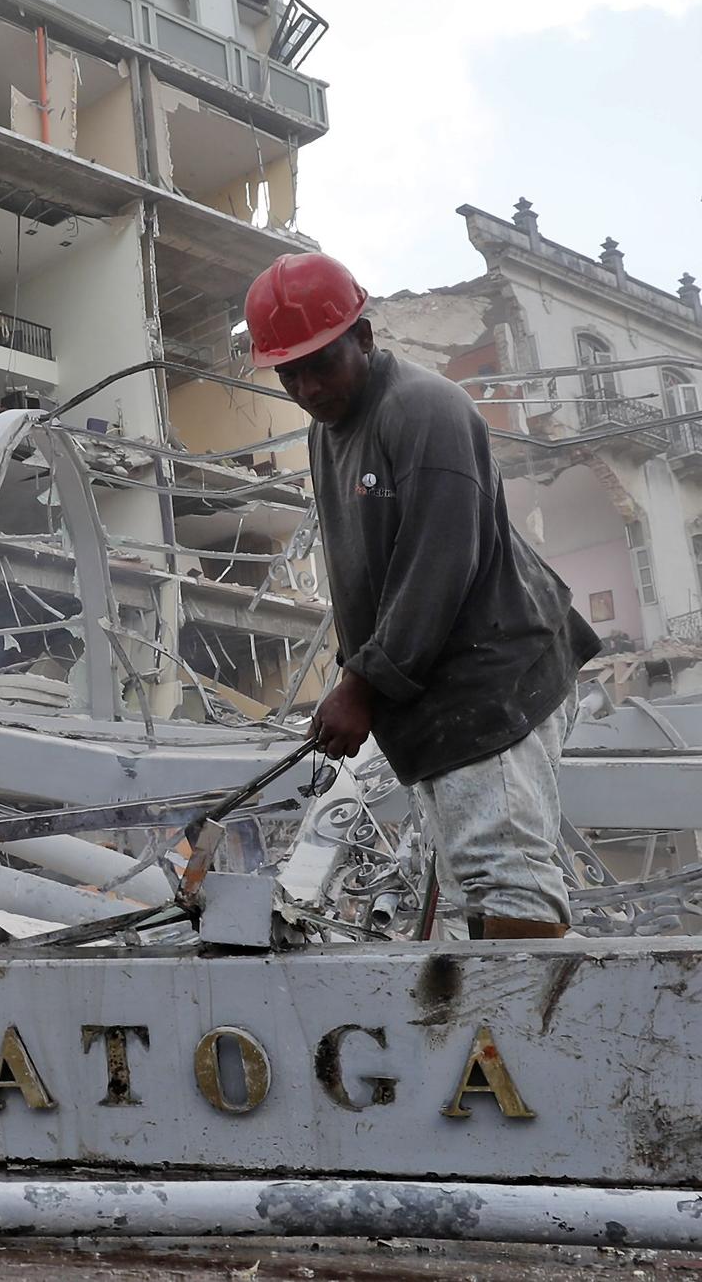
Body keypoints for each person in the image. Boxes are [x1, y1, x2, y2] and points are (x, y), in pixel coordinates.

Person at [246, 253, 600, 941]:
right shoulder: (328, 433)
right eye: (290, 372)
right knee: (477, 887)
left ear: (367, 337)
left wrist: (362, 682)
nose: (308, 385)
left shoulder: (426, 409)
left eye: (321, 362)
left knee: (507, 882)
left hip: (493, 678)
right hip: (440, 693)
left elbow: (439, 564)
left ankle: (534, 1041)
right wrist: (361, 679)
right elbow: (363, 573)